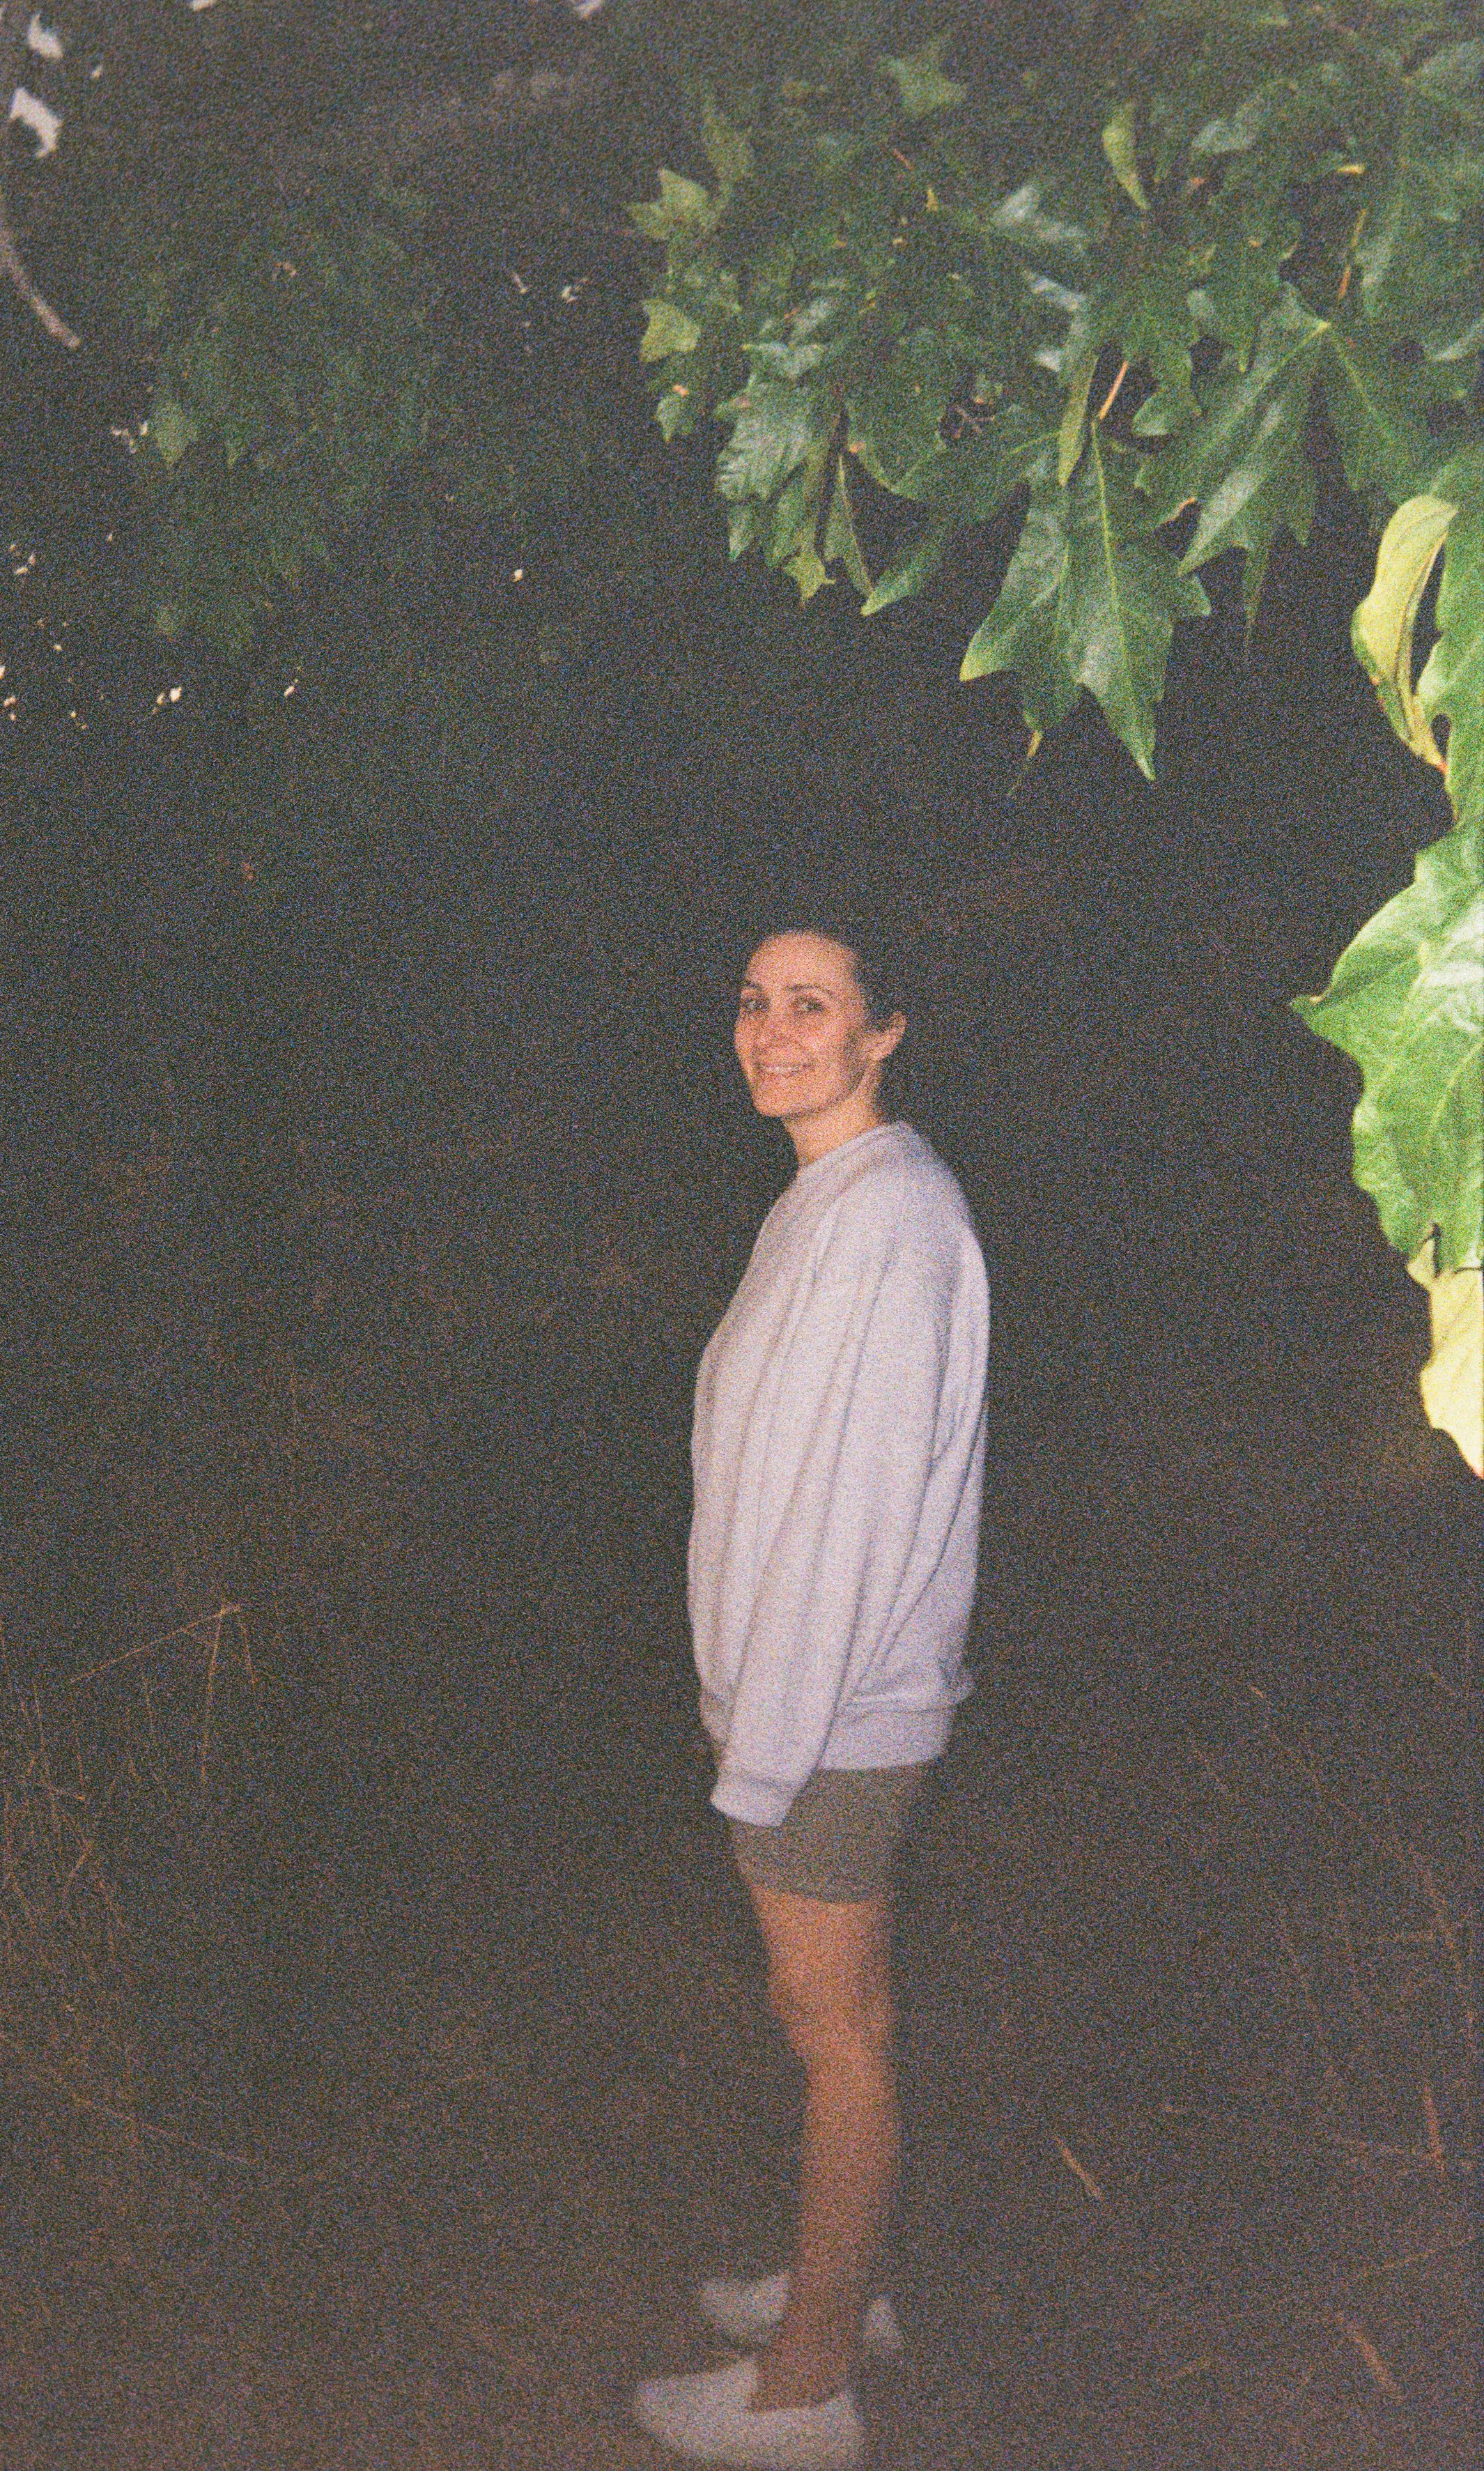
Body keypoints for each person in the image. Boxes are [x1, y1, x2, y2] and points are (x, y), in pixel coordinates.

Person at [633, 916, 989, 2471]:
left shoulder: (885, 1222)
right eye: (753, 999)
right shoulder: (833, 1198)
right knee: (843, 2017)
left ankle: (804, 2389)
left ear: (884, 1030)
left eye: (812, 1005)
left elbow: (840, 1518)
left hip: (828, 1717)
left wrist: (759, 1753)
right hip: (819, 1702)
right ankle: (840, 2285)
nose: (769, 1031)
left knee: (826, 2025)